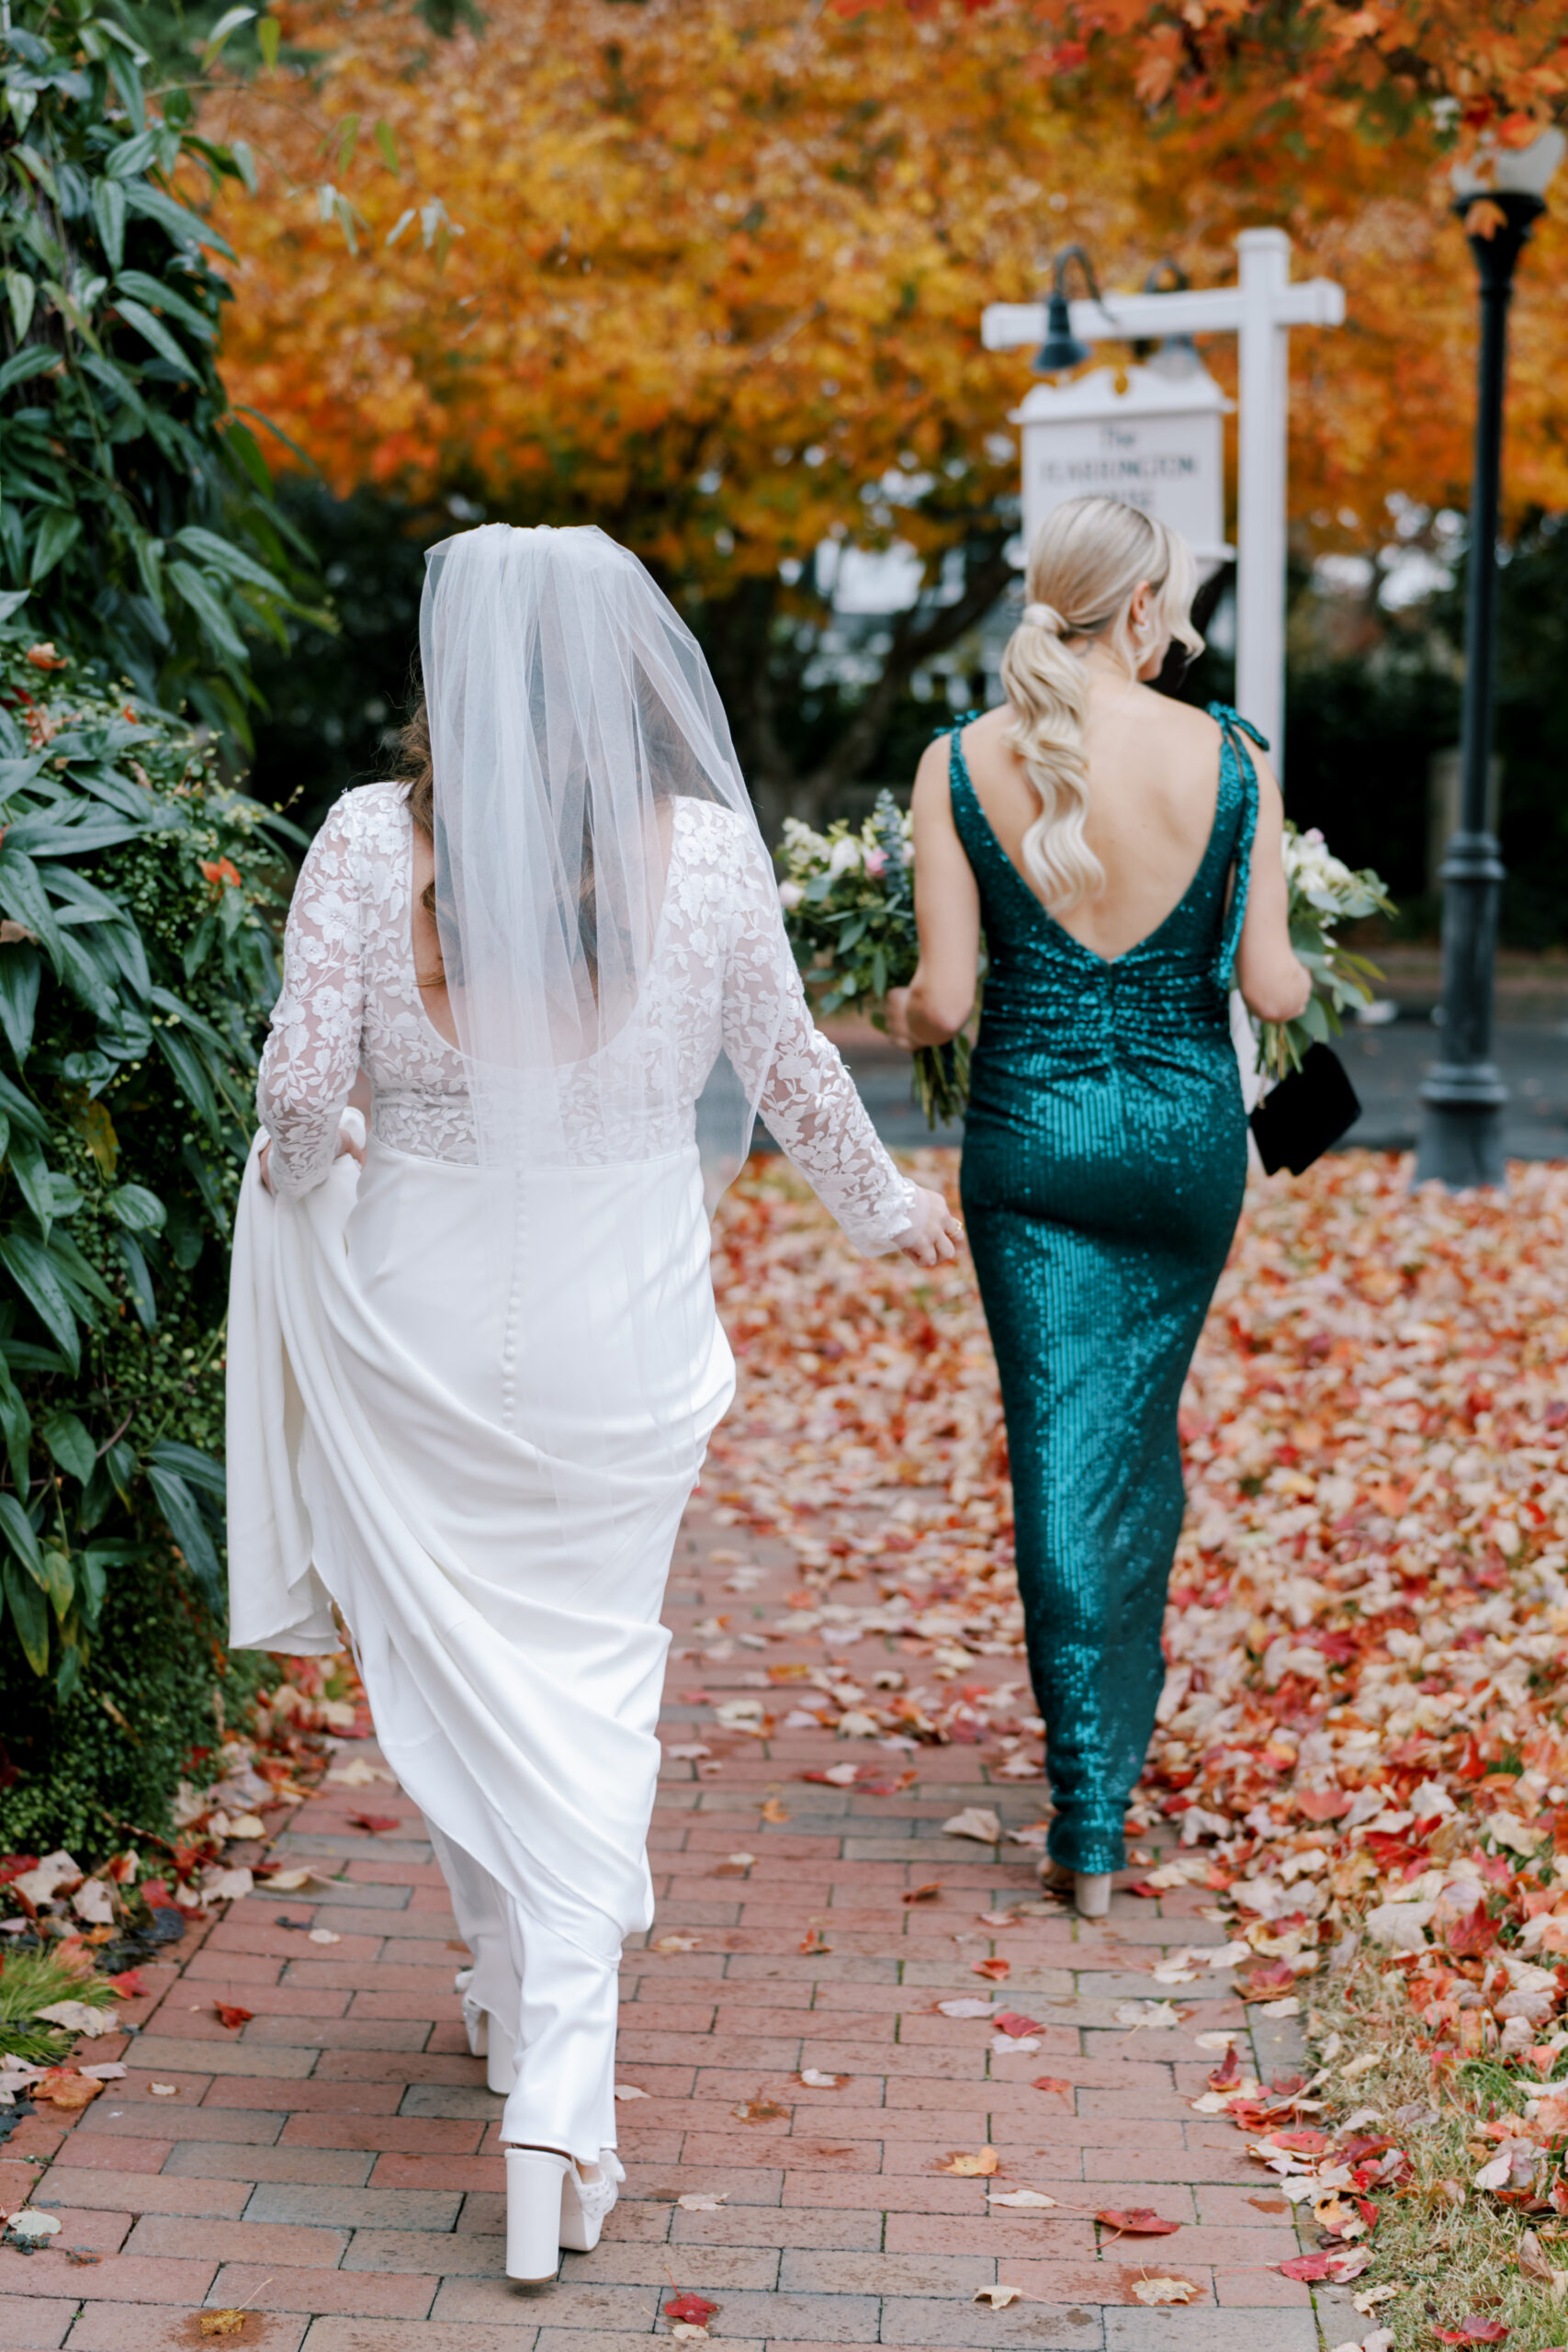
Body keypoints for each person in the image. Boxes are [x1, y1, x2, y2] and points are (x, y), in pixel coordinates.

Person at [225, 524, 960, 2285]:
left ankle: (529, 2018)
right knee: (587, 1678)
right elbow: (787, 1063)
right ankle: (550, 2082)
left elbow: (293, 1098)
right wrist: (886, 1208)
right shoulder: (704, 858)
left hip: (409, 1329)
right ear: (639, 687)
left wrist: (307, 1146)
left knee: (471, 1663)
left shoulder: (356, 844)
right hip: (617, 1341)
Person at [885, 495, 1309, 1920]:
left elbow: (944, 999)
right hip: (1183, 1152)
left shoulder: (956, 764)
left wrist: (895, 1005)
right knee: (1137, 1434)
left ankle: (1085, 1813)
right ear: (1141, 610)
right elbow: (1270, 990)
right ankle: (1106, 1774)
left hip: (1031, 1150)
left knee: (1062, 1445)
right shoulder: (1232, 758)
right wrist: (1319, 972)